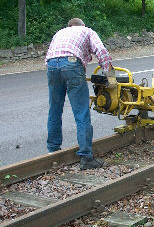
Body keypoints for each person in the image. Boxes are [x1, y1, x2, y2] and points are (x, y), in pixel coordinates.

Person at [45, 18, 113, 170]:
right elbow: (101, 51)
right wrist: (110, 76)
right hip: (72, 63)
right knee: (81, 112)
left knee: (54, 109)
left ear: (70, 26)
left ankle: (53, 151)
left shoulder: (60, 32)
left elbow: (50, 54)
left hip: (51, 65)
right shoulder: (87, 31)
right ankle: (86, 157)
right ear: (82, 25)